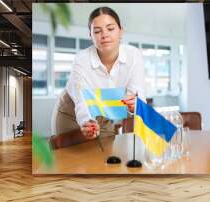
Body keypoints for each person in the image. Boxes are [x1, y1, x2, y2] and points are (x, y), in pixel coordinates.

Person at [51, 6, 144, 140]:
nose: (104, 35)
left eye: (110, 28)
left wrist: (135, 105)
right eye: (97, 31)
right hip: (71, 113)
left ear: (121, 31)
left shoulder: (134, 56)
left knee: (105, 156)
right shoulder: (81, 59)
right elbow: (81, 100)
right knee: (70, 158)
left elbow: (138, 95)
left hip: (106, 113)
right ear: (91, 36)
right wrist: (86, 122)